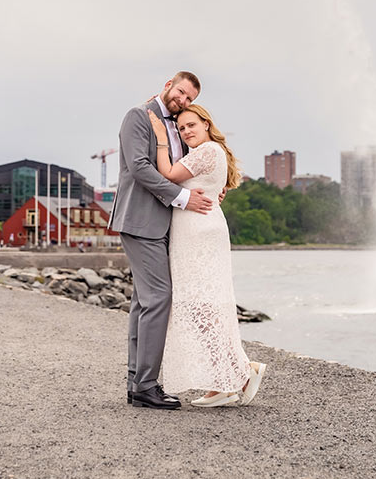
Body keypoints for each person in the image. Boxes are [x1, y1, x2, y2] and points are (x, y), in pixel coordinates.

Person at [148, 104, 267, 407]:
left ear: (206, 124)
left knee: (204, 309)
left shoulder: (206, 150)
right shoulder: (212, 152)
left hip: (199, 234)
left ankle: (232, 377)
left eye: (191, 125)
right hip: (197, 232)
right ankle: (235, 375)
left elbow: (169, 174)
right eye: (182, 128)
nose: (187, 132)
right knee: (205, 309)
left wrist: (161, 136)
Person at [109, 72, 213, 410]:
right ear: (169, 83)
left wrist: (213, 189)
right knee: (159, 299)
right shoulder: (137, 116)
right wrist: (183, 198)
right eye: (181, 92)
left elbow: (184, 167)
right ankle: (147, 386)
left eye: (189, 100)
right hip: (140, 221)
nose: (182, 102)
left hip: (162, 224)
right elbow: (139, 167)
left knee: (143, 302)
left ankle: (136, 382)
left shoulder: (177, 127)